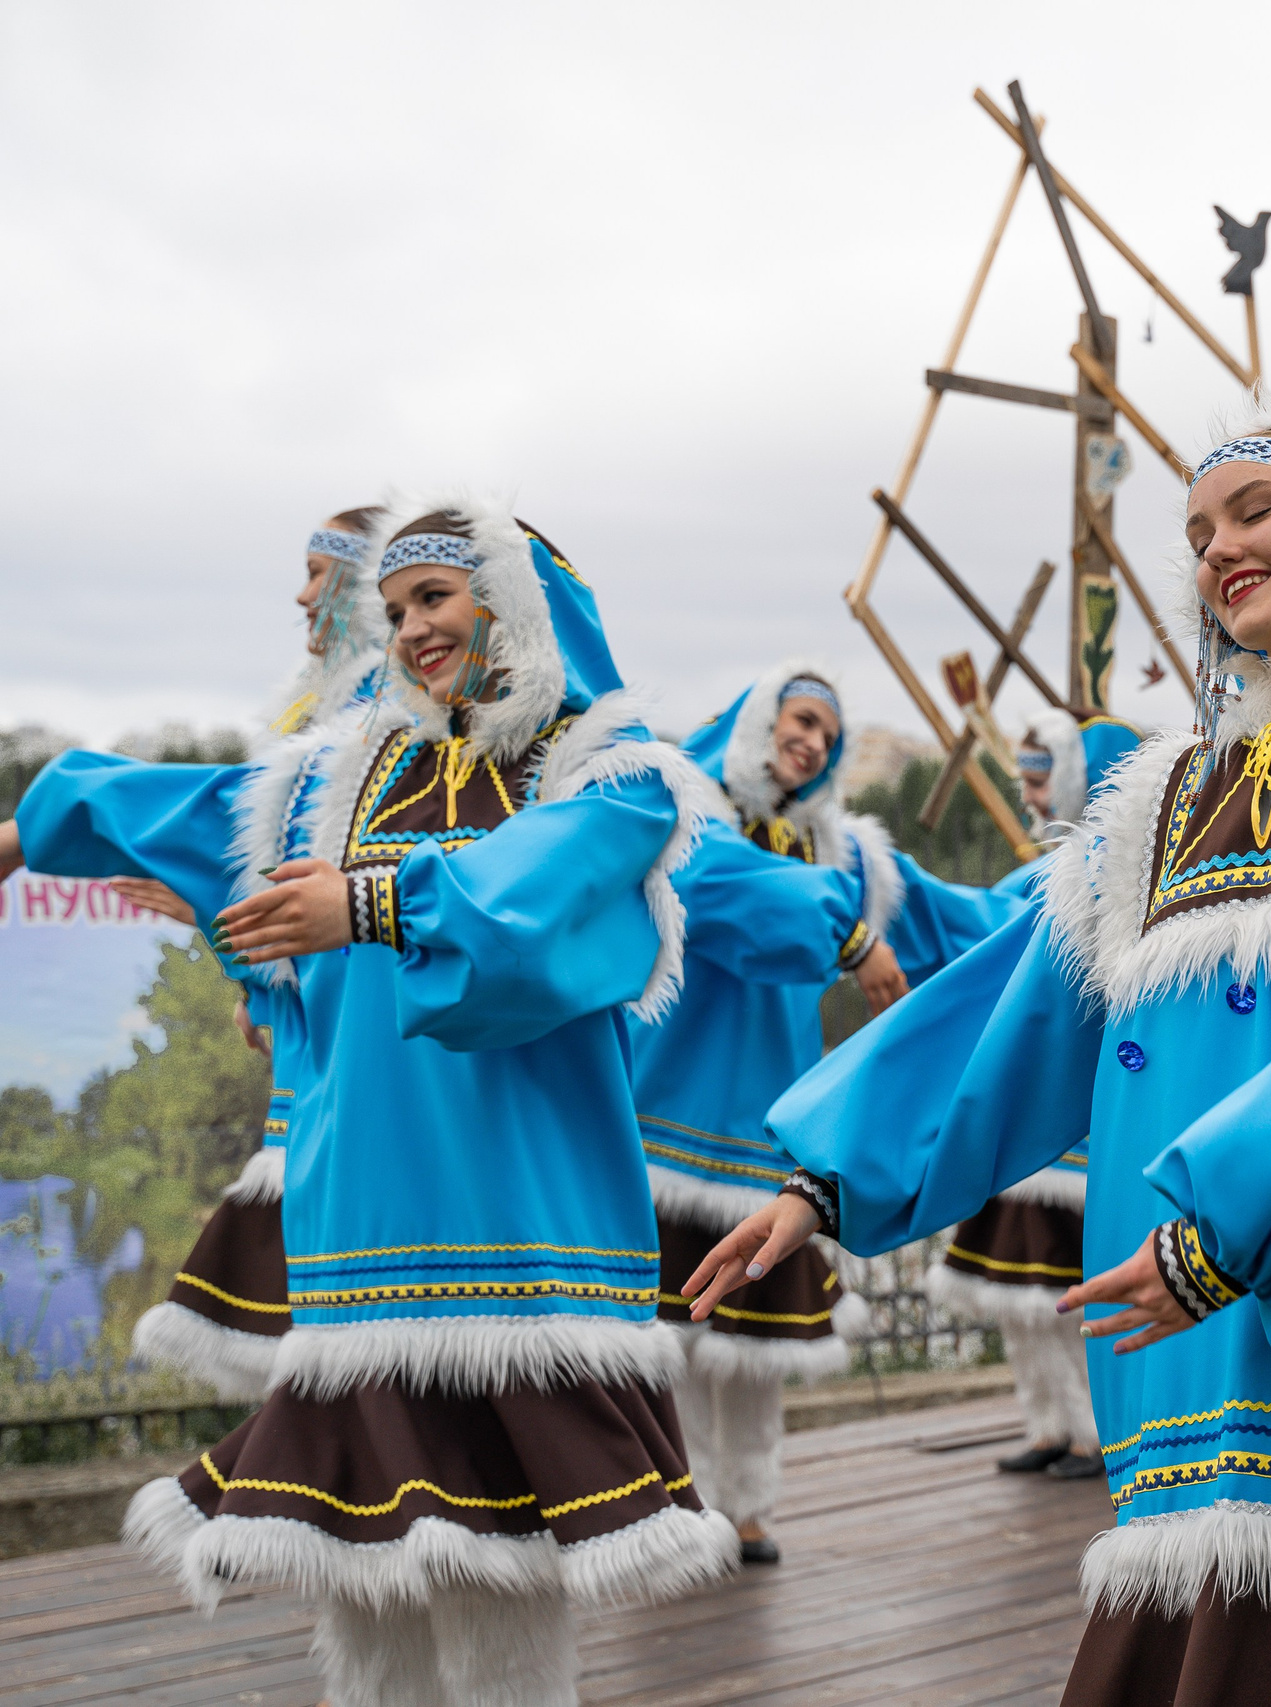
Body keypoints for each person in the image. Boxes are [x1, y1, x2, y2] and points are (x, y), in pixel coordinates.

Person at [688, 397, 1271, 1703]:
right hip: (1176, 1333)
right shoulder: (1159, 805)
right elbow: (1015, 1007)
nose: (1218, 545)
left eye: (1253, 510)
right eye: (1198, 526)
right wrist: (823, 1177)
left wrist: (1235, 1232)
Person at [13, 494, 736, 1706]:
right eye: (395, 607)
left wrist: (368, 904)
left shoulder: (608, 776)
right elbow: (177, 808)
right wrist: (29, 828)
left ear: (513, 602)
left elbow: (542, 899)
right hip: (358, 1239)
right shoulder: (329, 776)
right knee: (363, 1592)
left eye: (435, 597)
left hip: (521, 1245)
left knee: (503, 1592)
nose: (410, 628)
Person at [632, 658, 1020, 1562]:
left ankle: (751, 1504)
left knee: (754, 1341)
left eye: (826, 732)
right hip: (669, 1109)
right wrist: (849, 935)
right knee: (673, 1332)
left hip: (767, 1116)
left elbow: (946, 918)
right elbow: (722, 890)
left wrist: (1061, 900)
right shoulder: (685, 817)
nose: (809, 739)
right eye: (796, 719)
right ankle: (682, 1504)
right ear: (754, 721)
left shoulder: (844, 852)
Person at [100, 507, 392, 1402]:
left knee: (356, 1308)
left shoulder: (378, 706)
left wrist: (210, 905)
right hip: (321, 1031)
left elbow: (329, 878)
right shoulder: (330, 706)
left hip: (371, 1038)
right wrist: (256, 981)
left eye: (321, 573)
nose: (303, 595)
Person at [930, 707, 1141, 1481]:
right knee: (1028, 1286)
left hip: (1087, 1109)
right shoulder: (1039, 870)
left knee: (1080, 1279)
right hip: (1034, 1103)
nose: (1027, 794)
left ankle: (1100, 1432)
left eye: (1039, 778)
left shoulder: (1115, 872)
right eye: (1023, 780)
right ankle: (1052, 1422)